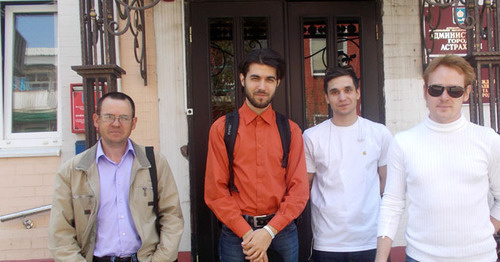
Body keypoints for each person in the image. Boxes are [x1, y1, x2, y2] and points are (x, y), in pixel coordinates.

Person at [376, 55, 500, 261]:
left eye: (454, 90)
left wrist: (488, 226)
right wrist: (380, 259)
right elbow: (392, 203)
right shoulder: (404, 142)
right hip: (421, 257)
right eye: (436, 89)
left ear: (466, 93)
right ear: (425, 92)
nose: (444, 97)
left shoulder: (488, 140)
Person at [48, 92, 184, 262]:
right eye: (109, 116)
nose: (116, 123)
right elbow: (60, 233)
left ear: (133, 123)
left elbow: (172, 216)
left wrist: (161, 259)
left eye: (124, 118)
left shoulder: (154, 163)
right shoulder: (73, 171)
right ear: (96, 120)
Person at [204, 48, 310, 262]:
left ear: (277, 82)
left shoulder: (291, 130)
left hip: (281, 231)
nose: (262, 86)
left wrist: (269, 232)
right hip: (237, 234)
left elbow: (299, 191)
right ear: (242, 79)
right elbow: (216, 191)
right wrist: (248, 234)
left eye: (269, 79)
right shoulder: (223, 129)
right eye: (255, 78)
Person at [302, 67, 392, 262]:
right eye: (334, 92)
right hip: (328, 242)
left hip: (370, 239)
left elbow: (386, 183)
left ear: (357, 93)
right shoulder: (312, 137)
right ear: (326, 97)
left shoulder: (379, 133)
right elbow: (304, 186)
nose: (342, 97)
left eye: (348, 90)